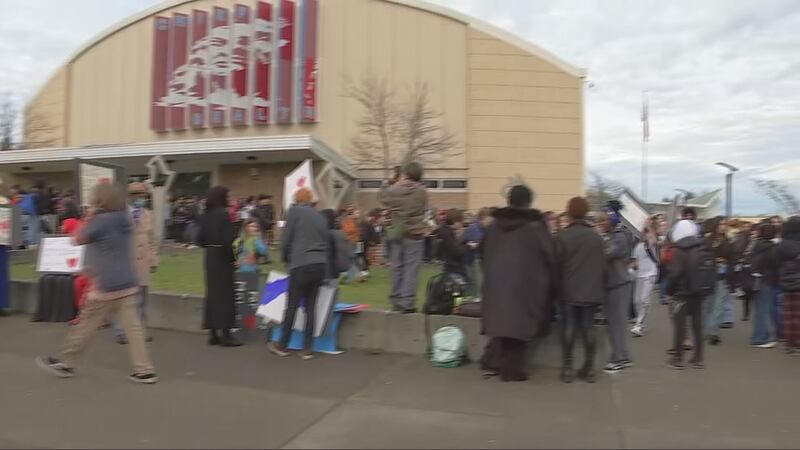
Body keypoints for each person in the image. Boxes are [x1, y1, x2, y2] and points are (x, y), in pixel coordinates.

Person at [36, 183, 158, 384]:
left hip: (106, 283)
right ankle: (145, 370)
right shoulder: (124, 218)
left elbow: (76, 239)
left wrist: (90, 215)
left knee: (86, 324)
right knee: (134, 329)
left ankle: (66, 362)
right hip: (127, 280)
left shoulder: (100, 220)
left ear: (99, 200)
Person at [480, 185, 554, 382]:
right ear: (528, 201)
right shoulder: (535, 226)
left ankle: (501, 365)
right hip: (526, 285)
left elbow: (483, 253)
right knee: (519, 328)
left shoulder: (494, 226)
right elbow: (549, 254)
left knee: (504, 327)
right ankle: (512, 370)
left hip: (497, 284)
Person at [268, 188, 329, 360]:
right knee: (311, 307)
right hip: (319, 264)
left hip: (301, 262)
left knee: (292, 305)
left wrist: (285, 258)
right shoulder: (321, 216)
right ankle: (307, 348)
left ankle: (282, 344)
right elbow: (326, 241)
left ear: (297, 200)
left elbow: (286, 239)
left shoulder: (294, 212)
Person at [555, 197, 605, 383]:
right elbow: (602, 266)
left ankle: (567, 367)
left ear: (569, 212)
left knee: (568, 327)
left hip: (568, 290)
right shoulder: (596, 238)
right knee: (588, 328)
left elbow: (555, 265)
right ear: (586, 212)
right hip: (591, 291)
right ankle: (590, 367)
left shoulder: (562, 237)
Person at [112, 182, 159, 345]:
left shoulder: (148, 214)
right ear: (130, 197)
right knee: (125, 298)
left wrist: (153, 259)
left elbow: (151, 238)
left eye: (143, 196)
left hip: (143, 261)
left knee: (142, 299)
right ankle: (120, 331)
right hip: (127, 260)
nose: (141, 199)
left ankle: (140, 330)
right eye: (138, 195)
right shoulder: (121, 215)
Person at [379, 162, 429, 313]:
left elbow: (382, 197)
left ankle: (396, 299)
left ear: (405, 174)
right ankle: (408, 302)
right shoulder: (422, 192)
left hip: (398, 232)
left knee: (396, 267)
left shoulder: (394, 190)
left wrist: (389, 182)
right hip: (415, 234)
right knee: (411, 269)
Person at [197, 186, 241, 347]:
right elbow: (227, 240)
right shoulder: (224, 215)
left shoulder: (205, 215)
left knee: (213, 293)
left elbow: (199, 238)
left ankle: (213, 332)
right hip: (222, 256)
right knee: (226, 294)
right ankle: (226, 334)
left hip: (210, 255)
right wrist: (233, 258)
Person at [598, 203, 634, 374]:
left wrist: (598, 240)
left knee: (616, 324)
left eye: (604, 219)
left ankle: (618, 359)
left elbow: (606, 254)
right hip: (613, 284)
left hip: (618, 284)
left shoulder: (619, 236)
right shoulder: (611, 235)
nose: (601, 222)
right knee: (614, 324)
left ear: (613, 218)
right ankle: (623, 356)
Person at [666, 219, 705, 369]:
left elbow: (675, 274)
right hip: (699, 292)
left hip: (682, 293)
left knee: (680, 327)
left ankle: (678, 358)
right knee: (697, 326)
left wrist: (670, 290)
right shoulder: (702, 248)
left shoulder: (679, 251)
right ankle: (698, 358)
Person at [749, 222, 781, 348]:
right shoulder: (772, 247)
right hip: (768, 280)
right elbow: (775, 264)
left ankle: (761, 335)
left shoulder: (756, 245)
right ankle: (760, 337)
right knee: (764, 310)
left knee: (760, 310)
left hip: (758, 280)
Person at [704, 217, 733, 345]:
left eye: (725, 224)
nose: (723, 226)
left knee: (718, 306)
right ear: (715, 225)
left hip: (722, 276)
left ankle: (713, 332)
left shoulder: (727, 240)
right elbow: (703, 256)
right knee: (708, 306)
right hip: (709, 276)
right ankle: (707, 331)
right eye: (721, 224)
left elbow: (731, 257)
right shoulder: (708, 240)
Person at [631, 217, 660, 337]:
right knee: (637, 301)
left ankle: (639, 325)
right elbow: (635, 261)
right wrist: (630, 269)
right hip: (639, 275)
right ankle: (643, 323)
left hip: (650, 274)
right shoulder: (638, 245)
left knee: (644, 300)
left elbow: (653, 240)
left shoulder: (651, 241)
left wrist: (649, 226)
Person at [777, 216, 800, 355]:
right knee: (798, 316)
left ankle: (789, 344)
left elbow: (777, 262)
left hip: (786, 282)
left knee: (788, 315)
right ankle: (798, 344)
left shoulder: (782, 244)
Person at [463, 207, 491, 298]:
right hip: (473, 259)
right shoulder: (474, 228)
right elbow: (470, 244)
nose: (491, 222)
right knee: (474, 284)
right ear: (483, 217)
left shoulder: (485, 229)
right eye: (489, 219)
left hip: (481, 259)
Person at [437, 209, 470, 284]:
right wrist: (467, 246)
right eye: (461, 221)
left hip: (453, 268)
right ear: (455, 221)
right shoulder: (447, 233)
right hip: (453, 269)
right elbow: (456, 251)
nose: (462, 224)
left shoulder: (447, 232)